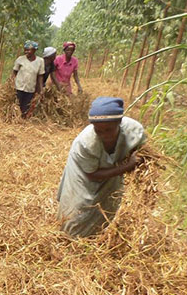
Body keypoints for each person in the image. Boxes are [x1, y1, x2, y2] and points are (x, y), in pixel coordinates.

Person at [56, 97, 147, 238]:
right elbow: (92, 174)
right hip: (83, 173)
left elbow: (141, 151)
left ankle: (94, 237)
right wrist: (127, 166)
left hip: (113, 170)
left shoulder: (134, 132)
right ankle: (70, 240)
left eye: (109, 130)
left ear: (119, 123)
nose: (105, 136)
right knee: (78, 210)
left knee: (106, 205)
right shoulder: (85, 143)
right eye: (99, 131)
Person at [11, 40, 44, 118]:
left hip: (30, 88)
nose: (26, 52)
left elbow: (40, 76)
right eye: (25, 49)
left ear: (35, 50)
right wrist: (11, 84)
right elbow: (14, 72)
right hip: (19, 86)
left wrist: (41, 89)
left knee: (26, 106)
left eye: (29, 50)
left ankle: (22, 119)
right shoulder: (20, 59)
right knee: (17, 104)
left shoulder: (40, 61)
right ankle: (16, 119)